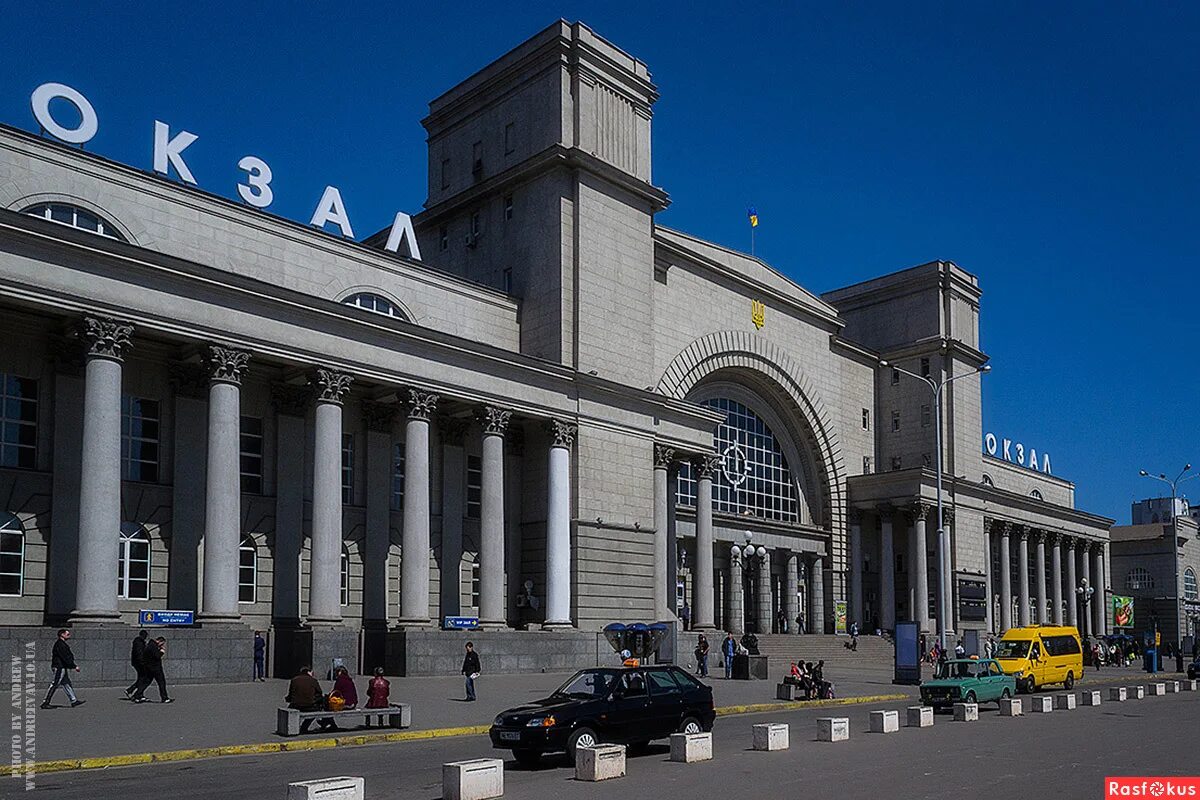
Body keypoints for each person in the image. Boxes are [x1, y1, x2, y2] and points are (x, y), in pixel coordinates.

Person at [41, 628, 84, 709]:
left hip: (61, 666)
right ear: (62, 635)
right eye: (67, 634)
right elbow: (65, 657)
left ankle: (73, 700)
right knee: (55, 683)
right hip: (59, 667)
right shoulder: (60, 645)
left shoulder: (60, 644)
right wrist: (74, 666)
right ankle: (45, 702)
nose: (69, 636)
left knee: (66, 683)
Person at [286, 667, 334, 733]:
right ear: (309, 672)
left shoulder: (294, 680)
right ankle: (304, 727)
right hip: (309, 706)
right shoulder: (313, 680)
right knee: (316, 711)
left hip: (296, 705)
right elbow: (319, 692)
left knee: (289, 709)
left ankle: (291, 727)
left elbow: (290, 694)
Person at [133, 636, 173, 703]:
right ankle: (164, 698)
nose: (162, 645)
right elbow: (157, 656)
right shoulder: (153, 647)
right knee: (161, 683)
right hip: (156, 668)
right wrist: (162, 652)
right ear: (159, 641)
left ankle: (137, 694)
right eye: (162, 643)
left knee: (147, 682)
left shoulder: (150, 645)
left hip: (149, 668)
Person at [125, 629, 149, 699]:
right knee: (143, 678)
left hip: (137, 662)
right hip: (139, 663)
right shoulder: (139, 643)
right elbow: (140, 654)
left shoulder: (138, 642)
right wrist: (143, 662)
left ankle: (132, 690)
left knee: (141, 678)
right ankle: (136, 693)